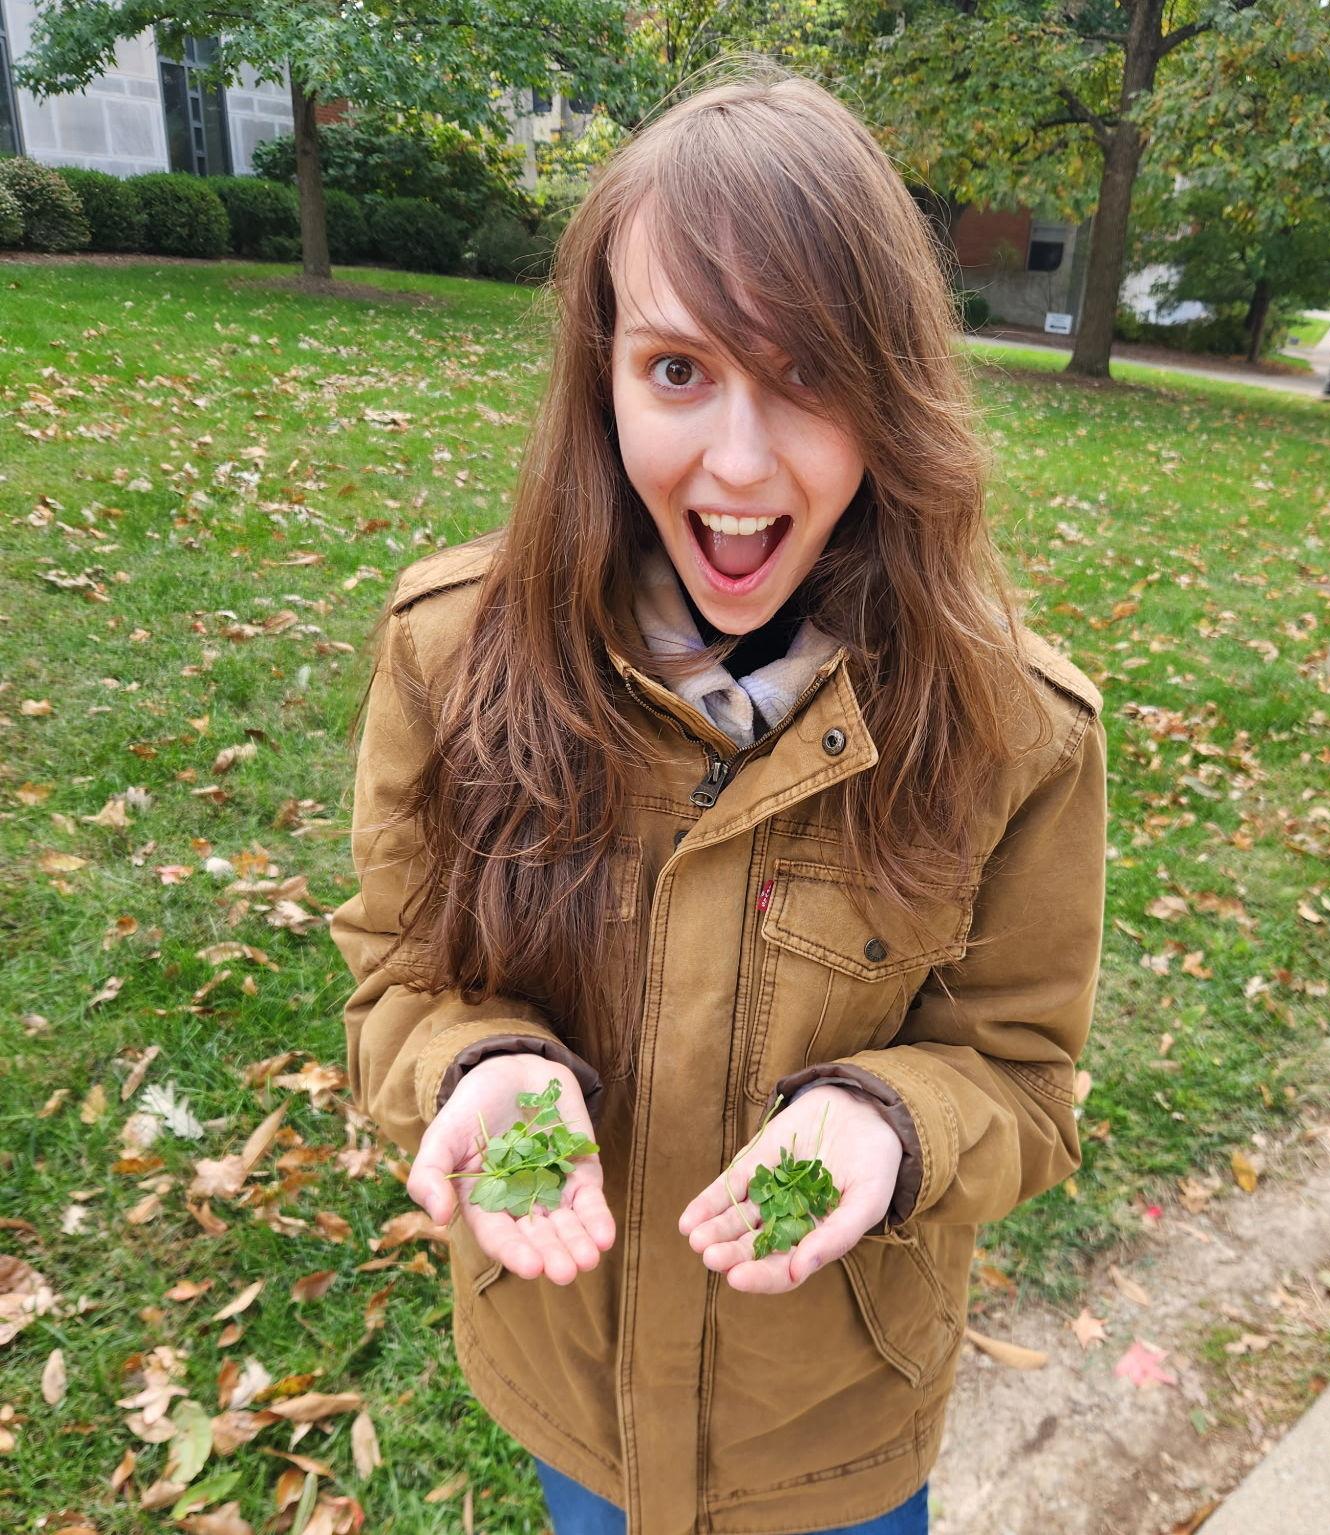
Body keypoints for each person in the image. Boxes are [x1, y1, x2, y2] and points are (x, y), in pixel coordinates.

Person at [332, 62, 1107, 1535]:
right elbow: (393, 975)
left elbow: (1024, 1081)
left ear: (893, 395)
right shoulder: (452, 658)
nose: (738, 467)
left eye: (808, 374)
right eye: (679, 370)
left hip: (836, 1437)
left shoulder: (1018, 731)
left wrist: (888, 1129)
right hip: (569, 1389)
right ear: (602, 371)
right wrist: (480, 1067)